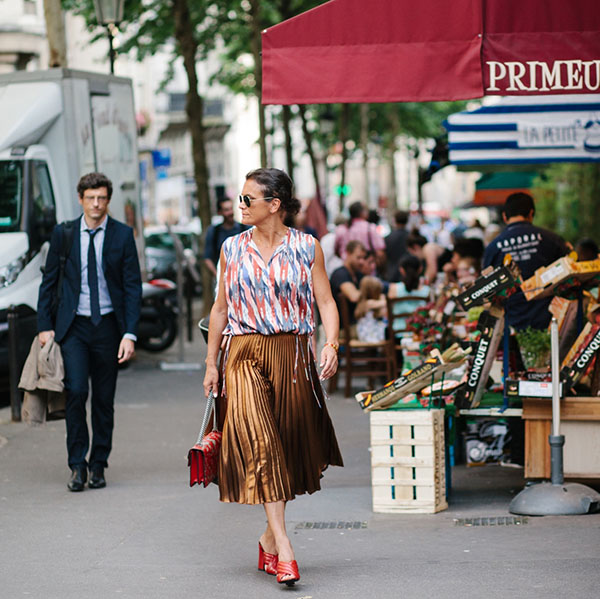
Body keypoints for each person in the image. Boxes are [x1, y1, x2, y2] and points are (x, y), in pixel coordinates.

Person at [203, 168, 343, 587]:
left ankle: (267, 537)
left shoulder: (306, 247)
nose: (240, 206)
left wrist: (331, 343)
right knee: (260, 440)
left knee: (289, 448)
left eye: (248, 199)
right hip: (243, 353)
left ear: (274, 205)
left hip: (293, 355)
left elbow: (325, 301)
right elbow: (219, 311)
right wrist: (211, 363)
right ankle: (285, 548)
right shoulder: (231, 248)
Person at [37, 172, 142, 492]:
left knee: (103, 401)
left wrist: (130, 333)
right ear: (80, 199)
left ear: (108, 201)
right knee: (77, 392)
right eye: (90, 198)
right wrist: (45, 325)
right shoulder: (64, 234)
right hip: (75, 327)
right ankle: (77, 465)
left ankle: (98, 464)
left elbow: (131, 287)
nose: (96, 204)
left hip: (109, 327)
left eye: (102, 198)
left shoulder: (123, 236)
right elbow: (49, 281)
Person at [483, 192, 569, 331]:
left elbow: (487, 288)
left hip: (510, 321)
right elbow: (569, 272)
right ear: (531, 213)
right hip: (549, 318)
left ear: (505, 216)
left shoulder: (494, 247)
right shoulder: (551, 240)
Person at [203, 197, 249, 277]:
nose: (231, 212)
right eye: (226, 210)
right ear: (220, 212)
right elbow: (207, 258)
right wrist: (219, 276)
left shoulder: (245, 229)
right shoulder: (214, 231)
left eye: (231, 208)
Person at [334, 201, 386, 267]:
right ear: (362, 213)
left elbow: (337, 250)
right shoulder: (370, 228)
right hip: (367, 268)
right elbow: (380, 252)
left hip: (347, 267)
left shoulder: (342, 229)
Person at [330, 240, 367, 325]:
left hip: (358, 324)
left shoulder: (358, 274)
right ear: (348, 254)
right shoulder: (340, 274)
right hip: (344, 327)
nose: (361, 261)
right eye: (358, 257)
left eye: (363, 258)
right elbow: (354, 296)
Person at [355, 276, 387, 343]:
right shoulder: (368, 303)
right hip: (368, 333)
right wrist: (383, 298)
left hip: (371, 330)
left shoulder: (364, 303)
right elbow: (385, 303)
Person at [385, 210, 410, 282]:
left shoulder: (388, 237)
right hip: (409, 272)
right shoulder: (411, 237)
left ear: (395, 220)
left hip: (392, 272)